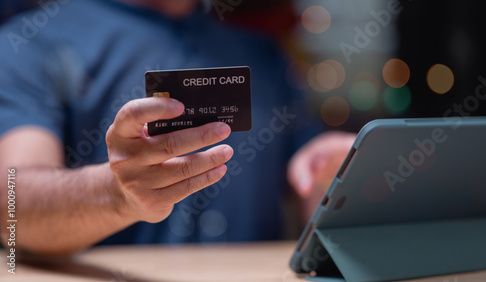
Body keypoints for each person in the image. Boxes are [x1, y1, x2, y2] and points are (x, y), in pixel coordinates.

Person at [0, 0, 355, 255]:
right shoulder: (31, 42)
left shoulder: (261, 52)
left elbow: (312, 177)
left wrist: (341, 180)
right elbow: (12, 207)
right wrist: (117, 193)